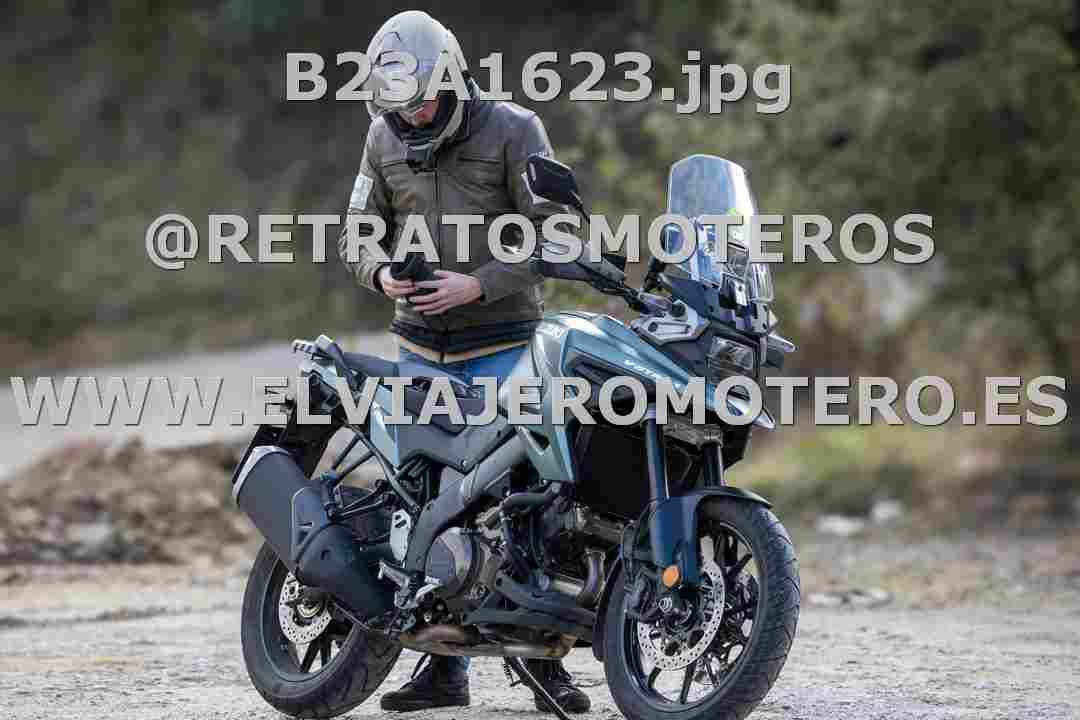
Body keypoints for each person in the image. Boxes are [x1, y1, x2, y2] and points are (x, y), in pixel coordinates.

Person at [337, 10, 590, 715]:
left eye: (421, 99)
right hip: (419, 349)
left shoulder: (515, 128)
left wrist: (478, 283)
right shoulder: (382, 136)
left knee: (526, 507)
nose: (412, 114)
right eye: (399, 104)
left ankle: (545, 667)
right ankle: (442, 671)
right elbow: (358, 229)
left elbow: (557, 230)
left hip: (507, 345)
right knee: (427, 510)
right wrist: (379, 271)